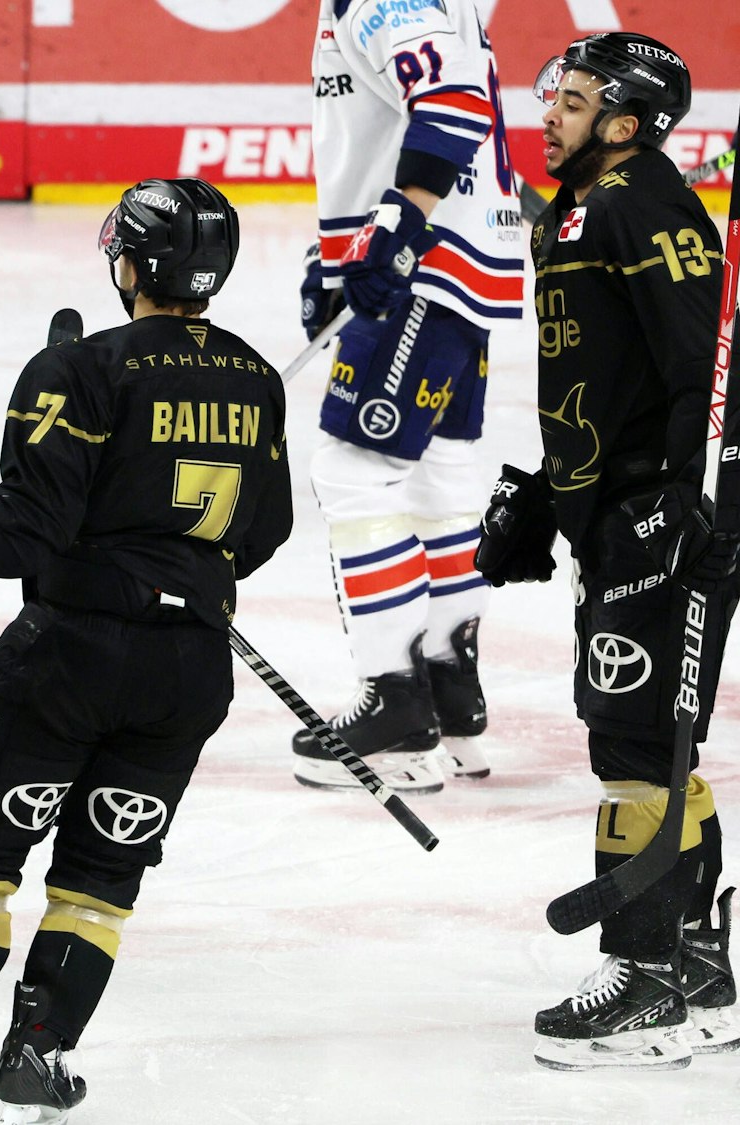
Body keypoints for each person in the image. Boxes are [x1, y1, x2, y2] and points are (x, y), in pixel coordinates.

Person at [0, 179, 291, 1125]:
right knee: (102, 876)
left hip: (69, 657)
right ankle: (42, 1052)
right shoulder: (257, 376)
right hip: (189, 672)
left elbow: (23, 527)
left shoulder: (81, 369)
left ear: (133, 265)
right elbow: (263, 531)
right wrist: (168, 563)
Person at [477, 32, 738, 1071]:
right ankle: (697, 962)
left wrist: (694, 504)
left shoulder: (640, 203)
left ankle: (645, 978)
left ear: (624, 124)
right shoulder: (575, 210)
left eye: (575, 101)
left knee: (632, 747)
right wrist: (553, 493)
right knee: (649, 741)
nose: (549, 111)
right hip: (616, 509)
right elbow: (608, 378)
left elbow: (705, 365)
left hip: (663, 516)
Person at [295, 0, 525, 793]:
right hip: (462, 268)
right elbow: (384, 126)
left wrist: (395, 230)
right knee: (439, 480)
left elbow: (451, 100)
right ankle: (449, 693)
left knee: (354, 473)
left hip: (422, 273)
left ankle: (395, 707)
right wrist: (332, 257)